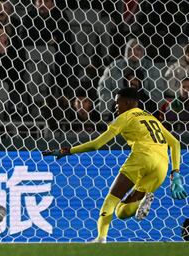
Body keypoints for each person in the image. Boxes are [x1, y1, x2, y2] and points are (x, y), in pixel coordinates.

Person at [43, 87, 187, 243]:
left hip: (142, 158)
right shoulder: (151, 119)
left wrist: (67, 150)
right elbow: (175, 143)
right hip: (162, 165)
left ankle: (101, 238)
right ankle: (143, 197)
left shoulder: (124, 118)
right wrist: (176, 173)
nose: (116, 106)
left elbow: (97, 144)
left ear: (129, 102)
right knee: (122, 213)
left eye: (118, 102)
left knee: (111, 200)